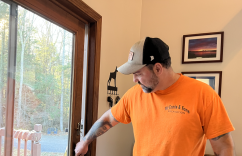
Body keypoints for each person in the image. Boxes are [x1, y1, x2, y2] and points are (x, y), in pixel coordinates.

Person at [75, 37, 235, 156]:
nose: (134, 80)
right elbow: (109, 118)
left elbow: (224, 147)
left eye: (138, 74)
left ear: (158, 68)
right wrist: (85, 141)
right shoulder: (133, 95)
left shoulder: (204, 94)